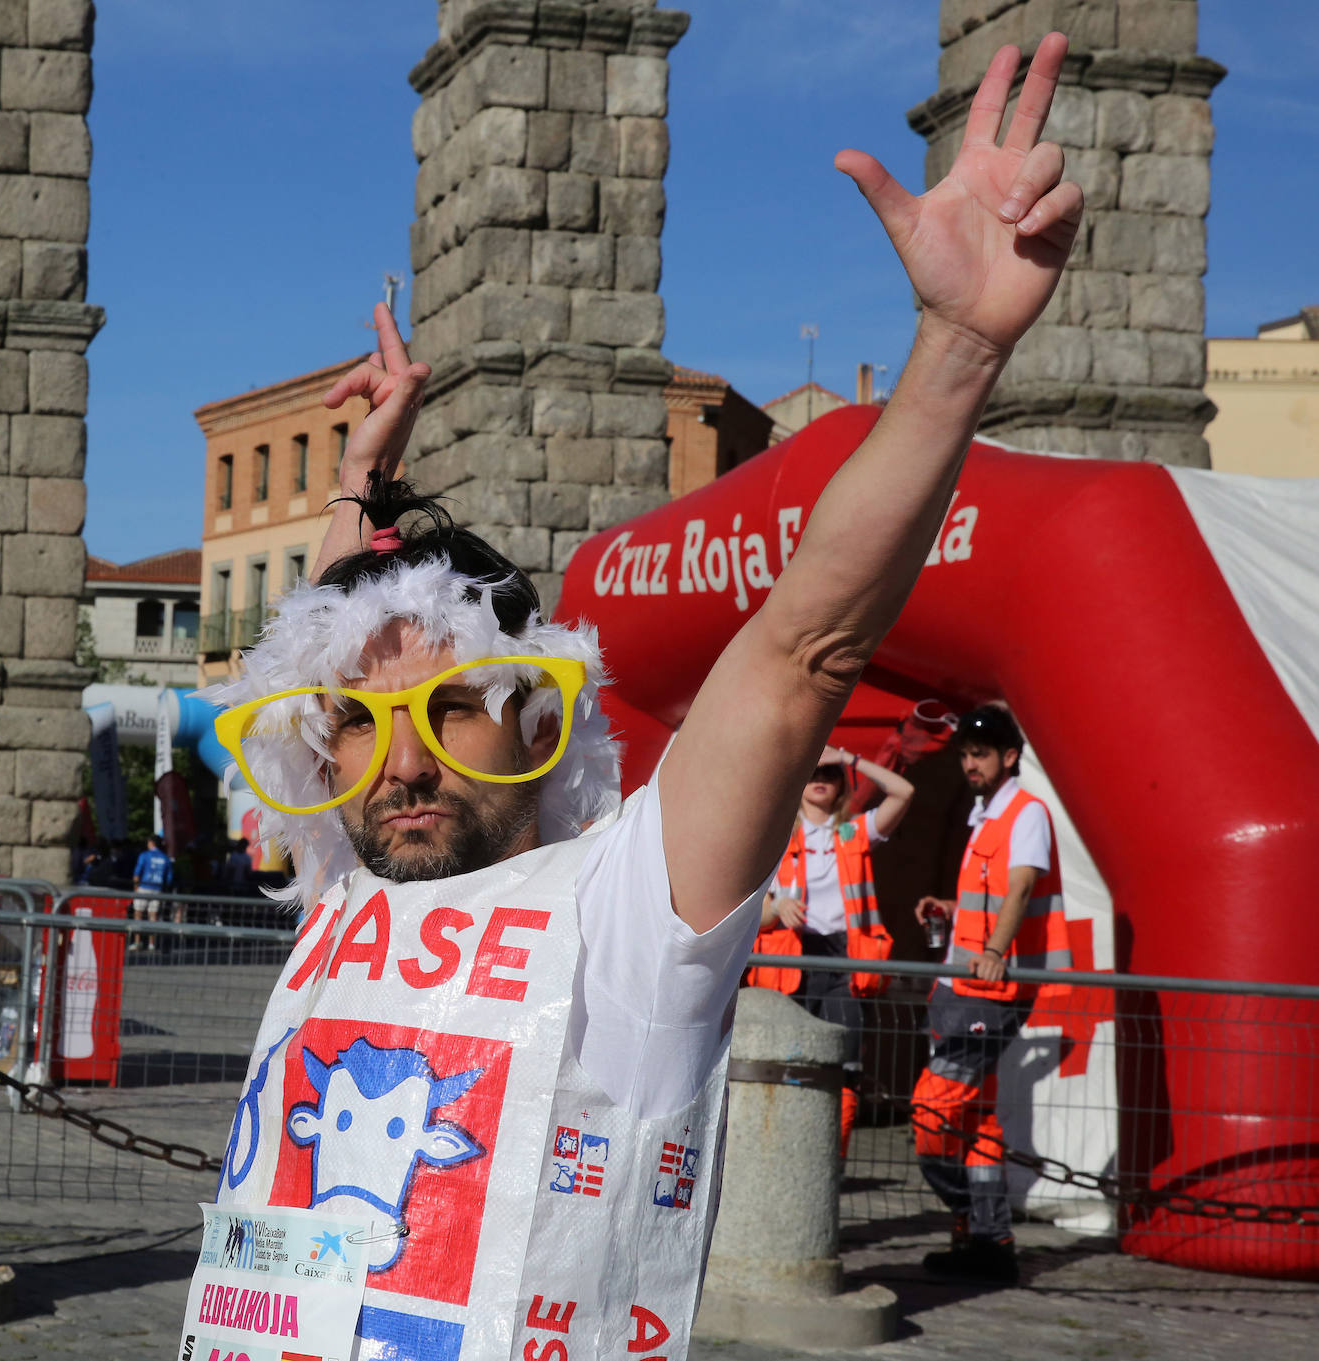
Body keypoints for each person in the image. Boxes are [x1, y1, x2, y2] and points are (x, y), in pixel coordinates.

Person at [198, 35, 1082, 1357]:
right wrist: (354, 486)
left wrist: (955, 347)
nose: (403, 763)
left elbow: (801, 654)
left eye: (452, 712)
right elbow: (322, 673)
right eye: (366, 730)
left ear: (538, 724)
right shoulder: (349, 894)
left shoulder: (628, 910)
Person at [910, 705, 1072, 1283]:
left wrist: (997, 951)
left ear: (1009, 757)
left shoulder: (1025, 812)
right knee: (975, 1123)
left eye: (980, 754)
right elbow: (990, 896)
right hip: (960, 984)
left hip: (989, 989)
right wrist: (952, 914)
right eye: (964, 755)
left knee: (932, 1113)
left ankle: (968, 1217)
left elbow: (1022, 886)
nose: (969, 764)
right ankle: (991, 1243)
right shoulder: (986, 814)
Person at [750, 746, 912, 1154]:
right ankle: (784, 1160)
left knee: (845, 1068)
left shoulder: (852, 833)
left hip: (844, 962)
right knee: (788, 1065)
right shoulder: (774, 831)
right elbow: (751, 912)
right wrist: (776, 906)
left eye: (830, 773)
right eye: (812, 771)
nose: (821, 778)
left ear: (842, 784)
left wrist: (850, 759)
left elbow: (903, 792)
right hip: (791, 960)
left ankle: (828, 1165)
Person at [130, 834, 173, 953]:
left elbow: (137, 872)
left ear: (151, 843)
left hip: (144, 886)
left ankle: (137, 942)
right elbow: (169, 878)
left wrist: (135, 886)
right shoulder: (165, 858)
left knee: (138, 914)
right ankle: (151, 943)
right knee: (153, 916)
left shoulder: (144, 855)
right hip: (157, 888)